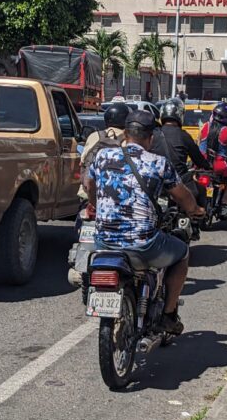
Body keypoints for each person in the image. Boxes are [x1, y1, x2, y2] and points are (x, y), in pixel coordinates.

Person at [86, 110, 204, 334]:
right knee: (182, 253)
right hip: (144, 245)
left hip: (104, 242)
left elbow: (89, 185)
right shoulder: (158, 163)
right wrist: (195, 210)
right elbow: (183, 196)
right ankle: (169, 315)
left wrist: (96, 204)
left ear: (125, 135)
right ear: (151, 138)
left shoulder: (102, 156)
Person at [150, 98, 211, 207]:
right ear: (180, 115)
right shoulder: (184, 136)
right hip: (179, 179)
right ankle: (197, 220)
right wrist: (207, 166)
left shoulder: (153, 134)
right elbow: (198, 159)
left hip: (155, 180)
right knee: (200, 191)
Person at [78, 102, 130, 199]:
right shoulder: (128, 140)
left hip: (86, 193)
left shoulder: (95, 136)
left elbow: (82, 162)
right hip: (115, 196)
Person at [199, 102, 227, 209]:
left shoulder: (204, 126)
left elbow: (198, 143)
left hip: (202, 163)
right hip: (219, 165)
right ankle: (226, 198)